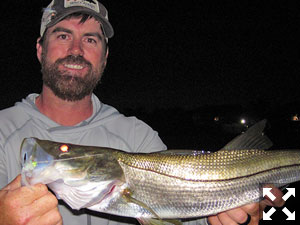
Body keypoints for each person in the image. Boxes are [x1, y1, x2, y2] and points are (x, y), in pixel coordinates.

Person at [0, 0, 284, 225]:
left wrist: (235, 219)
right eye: (63, 35)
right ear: (39, 49)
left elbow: (184, 220)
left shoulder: (137, 136)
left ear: (105, 56)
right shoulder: (3, 131)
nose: (76, 50)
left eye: (90, 40)